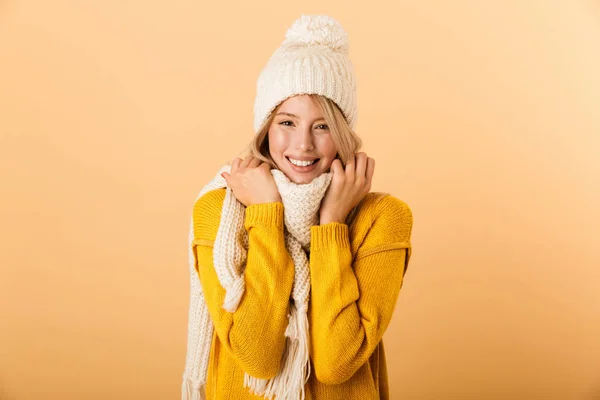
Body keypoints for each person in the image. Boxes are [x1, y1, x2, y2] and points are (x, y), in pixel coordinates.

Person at [182, 14, 413, 400]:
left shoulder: (383, 219)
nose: (302, 145)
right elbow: (259, 360)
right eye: (287, 122)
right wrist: (266, 214)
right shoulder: (217, 211)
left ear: (342, 133)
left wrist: (332, 225)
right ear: (265, 129)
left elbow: (336, 363)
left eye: (322, 126)